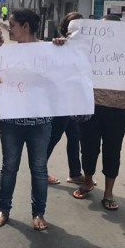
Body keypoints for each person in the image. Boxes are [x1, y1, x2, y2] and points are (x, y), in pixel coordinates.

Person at [0, 8, 61, 231]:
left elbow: (64, 77)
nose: (9, 28)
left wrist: (64, 47)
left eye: (12, 24)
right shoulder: (6, 55)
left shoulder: (49, 50)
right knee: (9, 167)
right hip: (11, 122)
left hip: (40, 124)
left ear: (26, 27)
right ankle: (4, 209)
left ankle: (38, 213)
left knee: (39, 169)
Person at [72, 16, 125, 211]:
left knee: (113, 151)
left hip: (117, 109)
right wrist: (66, 41)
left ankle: (109, 192)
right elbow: (69, 61)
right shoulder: (88, 45)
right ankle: (88, 181)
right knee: (88, 149)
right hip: (89, 107)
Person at [46, 12, 85, 186]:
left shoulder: (84, 47)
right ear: (66, 28)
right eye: (73, 26)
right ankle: (40, 171)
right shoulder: (59, 44)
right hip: (60, 101)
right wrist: (58, 44)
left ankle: (75, 173)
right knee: (54, 137)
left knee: (74, 136)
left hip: (74, 102)